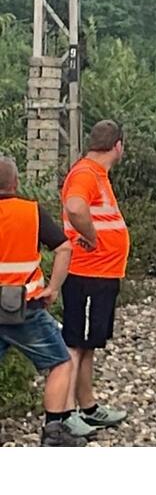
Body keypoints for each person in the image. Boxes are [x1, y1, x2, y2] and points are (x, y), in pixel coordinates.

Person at [0, 155, 87, 446]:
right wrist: (52, 287)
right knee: (61, 362)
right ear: (15, 182)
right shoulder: (30, 212)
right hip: (26, 307)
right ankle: (53, 432)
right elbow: (64, 248)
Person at [60, 119, 129, 433]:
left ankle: (87, 407)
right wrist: (92, 237)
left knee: (86, 344)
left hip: (100, 274)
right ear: (118, 145)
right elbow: (75, 207)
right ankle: (64, 414)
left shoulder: (96, 173)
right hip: (88, 273)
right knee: (75, 344)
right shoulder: (86, 173)